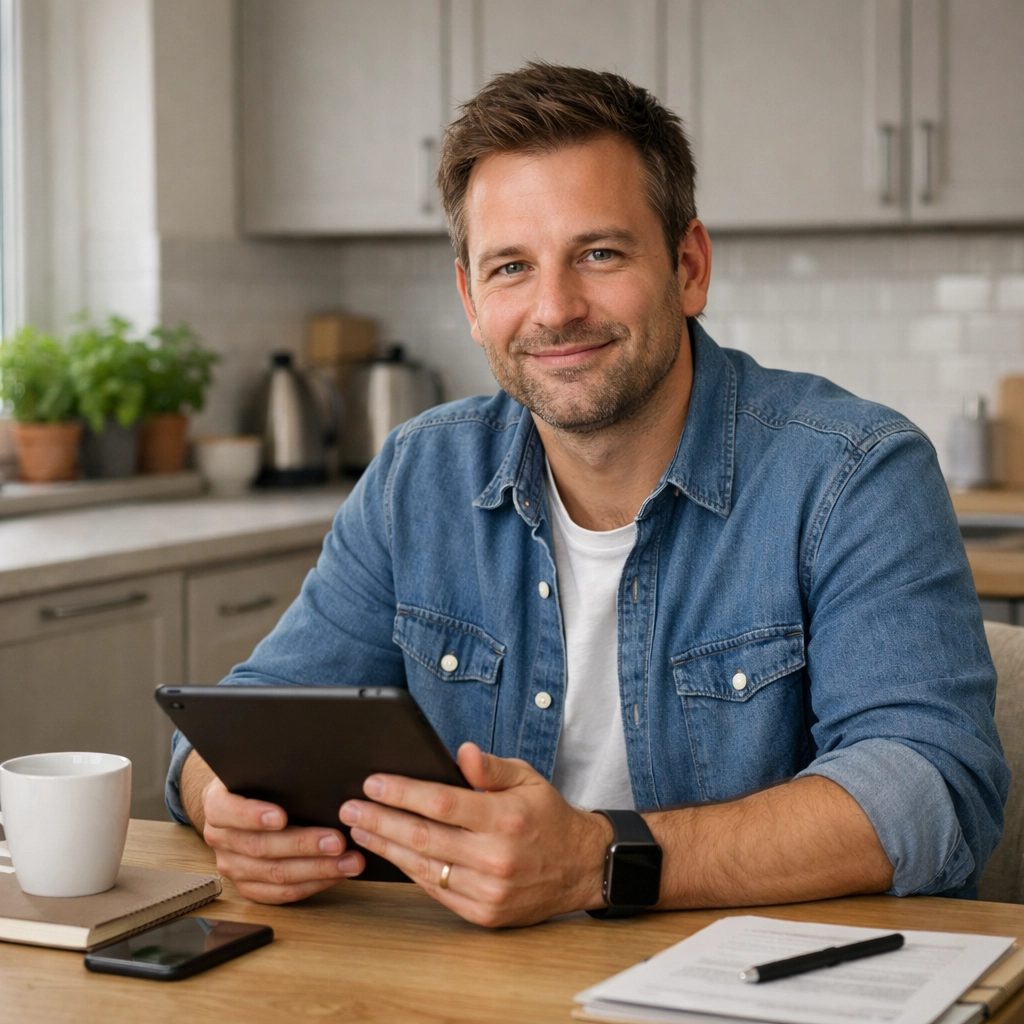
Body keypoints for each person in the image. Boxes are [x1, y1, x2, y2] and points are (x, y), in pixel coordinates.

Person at [167, 63, 1009, 927]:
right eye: (510, 268)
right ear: (468, 296)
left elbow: (931, 786)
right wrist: (224, 805)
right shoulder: (419, 477)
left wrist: (599, 862)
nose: (555, 308)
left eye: (598, 254)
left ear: (688, 267)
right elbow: (236, 725)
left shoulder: (853, 472)